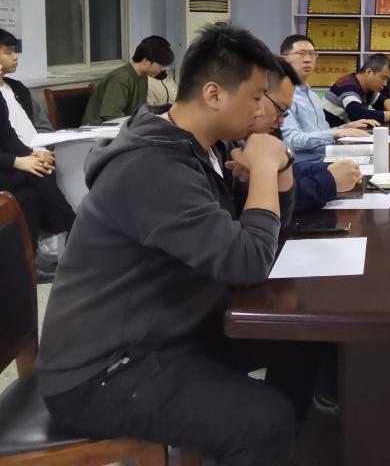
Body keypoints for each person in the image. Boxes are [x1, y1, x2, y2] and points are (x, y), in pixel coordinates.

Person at [37, 25, 321, 466]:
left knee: (303, 338)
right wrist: (265, 169)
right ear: (213, 94)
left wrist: (278, 170)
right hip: (103, 369)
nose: (262, 110)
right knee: (265, 422)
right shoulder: (152, 167)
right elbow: (247, 261)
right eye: (256, 96)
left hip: (171, 330)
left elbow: (264, 241)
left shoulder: (202, 146)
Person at [235, 59, 362, 214]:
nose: (281, 120)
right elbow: (274, 205)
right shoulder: (231, 146)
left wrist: (328, 169)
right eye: (280, 109)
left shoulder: (311, 96)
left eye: (312, 54)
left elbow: (289, 174)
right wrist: (330, 181)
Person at [0, 29, 75, 271]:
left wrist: (32, 154)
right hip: (6, 164)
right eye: (8, 52)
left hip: (13, 159)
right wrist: (19, 161)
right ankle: (75, 232)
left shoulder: (15, 89)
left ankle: (32, 259)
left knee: (32, 190)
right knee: (38, 176)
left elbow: (10, 137)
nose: (15, 57)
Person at [279, 34, 372, 164]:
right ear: (284, 59)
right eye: (301, 54)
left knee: (373, 157)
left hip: (326, 157)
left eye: (312, 54)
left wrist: (345, 127)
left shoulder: (312, 96)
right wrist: (336, 133)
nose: (308, 59)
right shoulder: (283, 96)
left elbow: (323, 132)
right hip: (304, 165)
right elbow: (292, 141)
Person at [82, 35, 174, 124]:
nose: (162, 69)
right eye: (161, 65)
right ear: (146, 61)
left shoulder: (142, 77)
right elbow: (111, 115)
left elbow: (138, 111)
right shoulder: (120, 78)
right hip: (99, 128)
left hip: (124, 126)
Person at [327, 54, 390, 124]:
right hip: (330, 135)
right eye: (383, 78)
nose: (385, 84)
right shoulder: (348, 85)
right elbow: (358, 114)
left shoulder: (367, 88)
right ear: (369, 72)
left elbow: (381, 102)